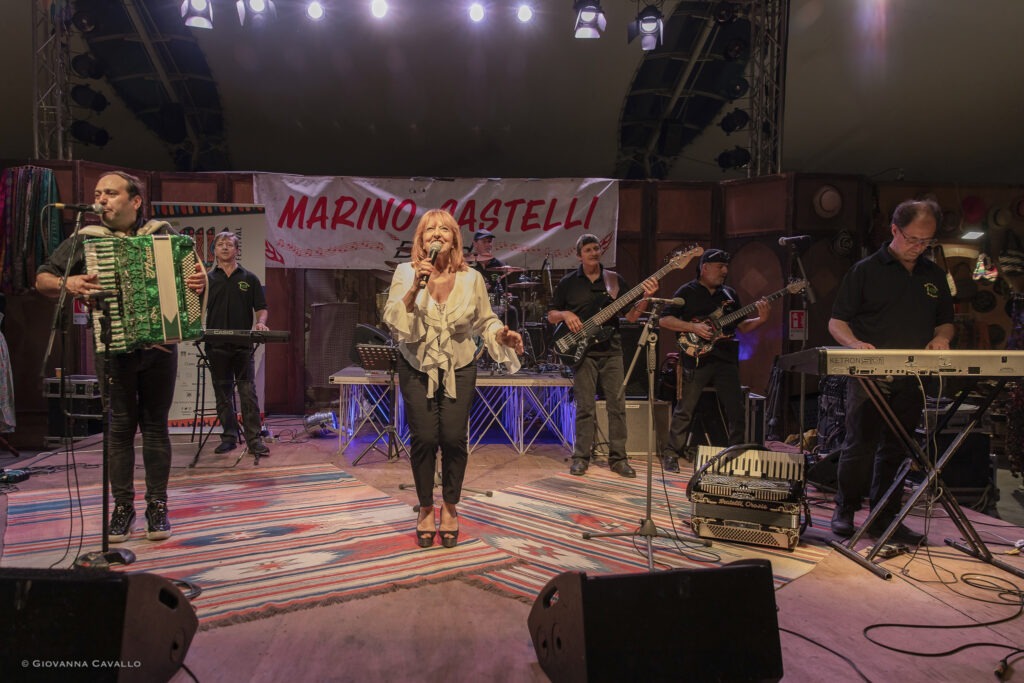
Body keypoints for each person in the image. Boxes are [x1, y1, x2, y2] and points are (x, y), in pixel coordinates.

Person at [35, 170, 206, 543]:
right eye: (98, 193)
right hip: (113, 349)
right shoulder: (87, 238)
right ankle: (122, 508)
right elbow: (43, 278)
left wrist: (198, 282)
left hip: (161, 349)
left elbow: (194, 277)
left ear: (135, 201)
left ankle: (157, 506)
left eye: (110, 193)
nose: (101, 200)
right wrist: (70, 282)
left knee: (156, 426)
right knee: (120, 429)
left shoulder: (162, 233)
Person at [382, 209, 524, 548]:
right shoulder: (406, 272)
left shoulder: (472, 278)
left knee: (453, 438)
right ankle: (425, 507)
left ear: (455, 239)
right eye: (430, 229)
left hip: (459, 365)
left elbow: (485, 320)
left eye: (444, 229)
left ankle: (449, 506)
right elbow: (393, 317)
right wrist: (414, 287)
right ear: (420, 239)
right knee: (424, 438)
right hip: (416, 365)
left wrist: (501, 335)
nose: (436, 233)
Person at [828, 199, 954, 546]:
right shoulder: (866, 270)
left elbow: (945, 322)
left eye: (926, 241)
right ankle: (845, 510)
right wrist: (854, 344)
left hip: (913, 375)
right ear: (895, 230)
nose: (919, 247)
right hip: (870, 373)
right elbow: (837, 322)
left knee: (898, 448)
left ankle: (885, 516)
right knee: (860, 444)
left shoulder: (934, 275)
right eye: (912, 239)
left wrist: (941, 338)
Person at [547, 233, 658, 478]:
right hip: (582, 353)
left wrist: (646, 298)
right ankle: (581, 458)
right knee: (585, 407)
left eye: (596, 248)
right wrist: (566, 314)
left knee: (617, 407)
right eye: (588, 249)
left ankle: (619, 459)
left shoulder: (614, 281)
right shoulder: (568, 283)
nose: (594, 253)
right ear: (579, 255)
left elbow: (631, 317)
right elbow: (551, 315)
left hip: (612, 350)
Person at [658, 249, 770, 472]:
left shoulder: (729, 294)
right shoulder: (686, 292)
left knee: (736, 409)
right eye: (720, 266)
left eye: (726, 266)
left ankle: (735, 454)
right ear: (705, 268)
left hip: (725, 359)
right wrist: (693, 327)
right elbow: (665, 319)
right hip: (696, 359)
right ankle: (671, 453)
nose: (725, 271)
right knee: (685, 409)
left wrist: (761, 319)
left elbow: (742, 326)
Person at [195, 230, 270, 457]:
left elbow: (261, 308)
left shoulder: (250, 278)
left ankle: (254, 440)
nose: (225, 247)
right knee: (223, 394)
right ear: (215, 250)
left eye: (229, 244)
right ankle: (229, 437)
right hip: (216, 345)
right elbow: (196, 308)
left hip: (242, 346)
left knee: (247, 393)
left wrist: (261, 323)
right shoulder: (207, 279)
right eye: (220, 244)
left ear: (236, 250)